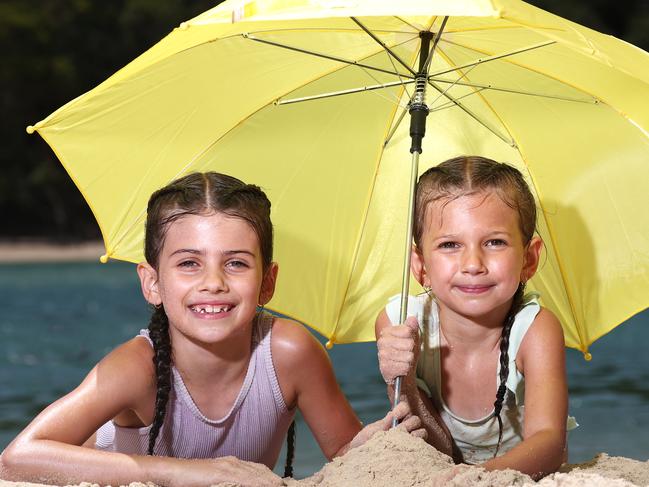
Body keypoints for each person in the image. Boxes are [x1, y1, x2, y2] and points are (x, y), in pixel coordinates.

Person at [0, 172, 424, 487]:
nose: (213, 282)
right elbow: (17, 457)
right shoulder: (136, 367)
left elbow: (346, 459)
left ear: (268, 282)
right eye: (189, 263)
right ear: (152, 282)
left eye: (236, 263)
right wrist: (192, 474)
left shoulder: (290, 353)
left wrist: (377, 438)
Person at [376, 156, 570, 480]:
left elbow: (549, 443)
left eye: (495, 242)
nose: (473, 264)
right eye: (450, 245)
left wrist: (472, 479)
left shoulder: (535, 331)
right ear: (420, 266)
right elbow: (436, 447)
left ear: (529, 259)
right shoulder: (400, 326)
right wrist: (402, 382)